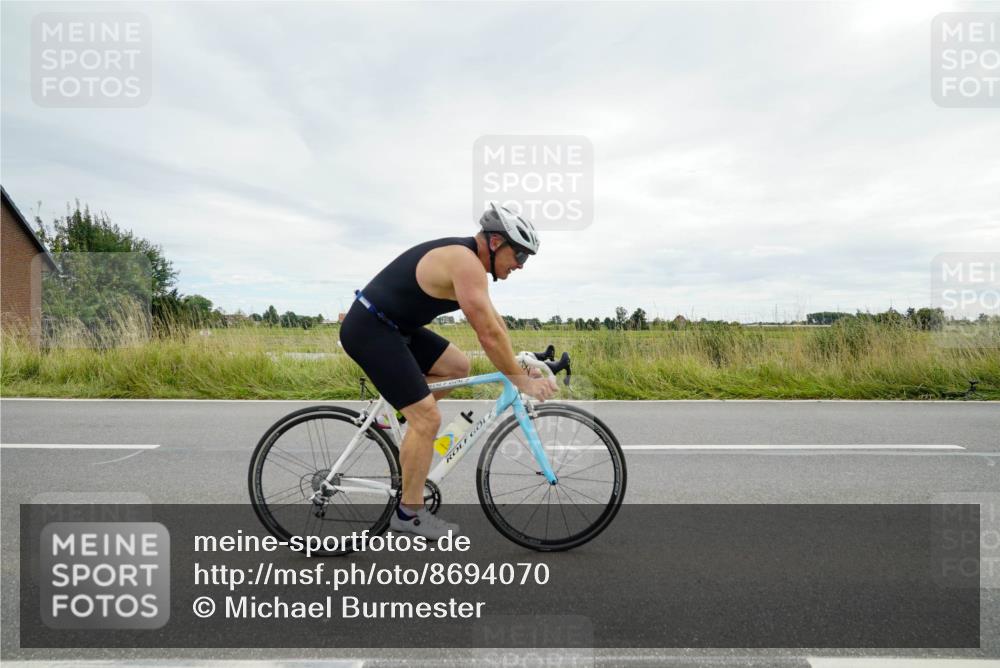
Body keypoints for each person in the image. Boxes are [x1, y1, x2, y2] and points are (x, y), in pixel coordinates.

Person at [339, 203, 556, 538]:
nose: (520, 266)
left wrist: (519, 363)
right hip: (370, 328)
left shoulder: (471, 265)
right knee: (427, 418)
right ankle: (409, 514)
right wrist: (519, 381)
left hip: (396, 328)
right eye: (520, 256)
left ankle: (399, 412)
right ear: (496, 243)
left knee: (457, 366)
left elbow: (496, 324)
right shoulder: (464, 262)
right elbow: (486, 334)